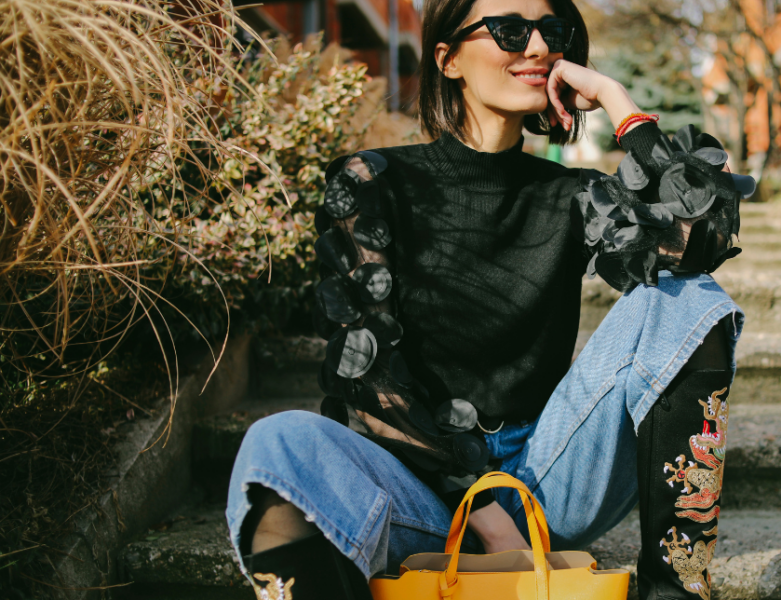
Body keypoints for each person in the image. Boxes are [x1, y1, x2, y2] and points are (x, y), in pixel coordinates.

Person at [226, 0, 754, 598]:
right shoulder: (373, 181)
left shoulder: (578, 196)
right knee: (277, 445)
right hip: (418, 483)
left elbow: (705, 238)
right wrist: (480, 510)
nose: (536, 48)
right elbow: (366, 373)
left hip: (548, 481)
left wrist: (618, 103)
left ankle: (675, 593)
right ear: (448, 59)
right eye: (510, 30)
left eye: (551, 32)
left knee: (687, 298)